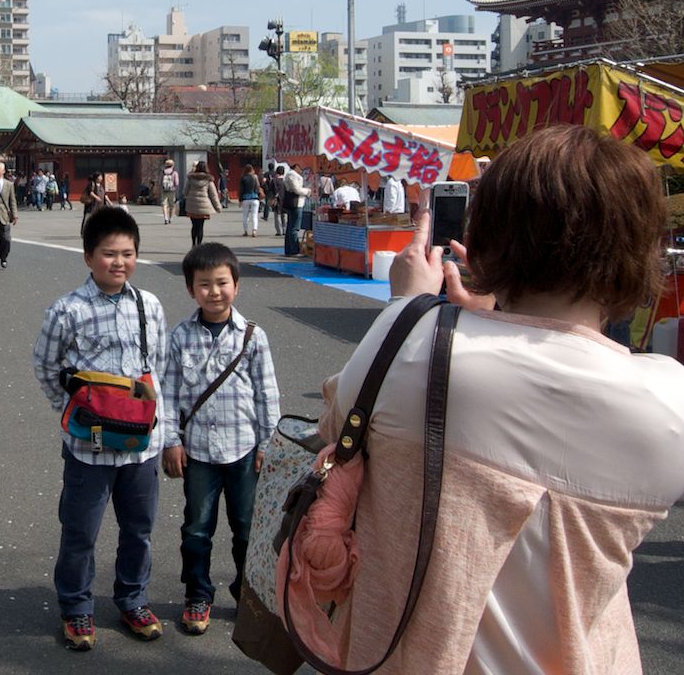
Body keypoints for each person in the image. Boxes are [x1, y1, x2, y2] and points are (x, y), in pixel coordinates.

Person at [310, 126, 684, 674]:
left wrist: (408, 306)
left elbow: (336, 421)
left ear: (489, 236)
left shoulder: (411, 350)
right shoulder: (665, 398)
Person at [32, 207, 169, 652]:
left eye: (127, 254)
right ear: (88, 256)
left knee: (139, 530)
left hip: (140, 447)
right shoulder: (67, 310)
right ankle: (76, 606)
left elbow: (159, 368)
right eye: (109, 254)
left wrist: (160, 426)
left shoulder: (149, 305)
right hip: (89, 447)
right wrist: (71, 413)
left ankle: (132, 598)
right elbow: (46, 365)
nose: (119, 262)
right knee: (80, 532)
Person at [162, 242, 280, 635]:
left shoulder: (252, 337)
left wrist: (268, 445)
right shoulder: (180, 337)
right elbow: (168, 394)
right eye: (204, 285)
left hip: (245, 451)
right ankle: (198, 595)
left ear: (237, 285)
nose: (214, 292)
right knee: (196, 529)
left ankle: (248, 595)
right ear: (190, 289)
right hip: (198, 452)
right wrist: (170, 441)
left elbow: (267, 394)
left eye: (222, 283)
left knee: (247, 529)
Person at [183, 161, 221, 247]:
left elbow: (184, 192)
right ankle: (199, 245)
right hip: (203, 206)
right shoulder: (208, 180)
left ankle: (193, 244)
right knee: (200, 226)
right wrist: (218, 207)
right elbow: (213, 195)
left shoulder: (190, 178)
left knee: (194, 225)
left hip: (192, 205)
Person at [282, 163, 311, 257]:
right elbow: (296, 189)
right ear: (296, 166)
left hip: (295, 203)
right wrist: (307, 191)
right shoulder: (292, 175)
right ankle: (294, 250)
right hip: (295, 203)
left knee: (291, 227)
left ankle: (289, 249)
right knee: (294, 227)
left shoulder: (292, 175)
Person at [80, 172, 110, 236]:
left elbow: (105, 195)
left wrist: (109, 202)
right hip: (92, 205)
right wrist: (96, 197)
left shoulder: (102, 186)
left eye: (101, 177)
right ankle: (84, 232)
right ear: (96, 178)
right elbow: (90, 192)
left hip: (100, 206)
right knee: (87, 218)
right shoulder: (92, 184)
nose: (101, 178)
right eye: (100, 176)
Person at [238, 163, 261, 238]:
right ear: (252, 169)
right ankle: (254, 230)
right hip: (254, 198)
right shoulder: (255, 177)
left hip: (245, 198)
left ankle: (245, 231)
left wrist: (240, 200)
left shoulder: (243, 178)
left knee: (245, 216)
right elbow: (258, 187)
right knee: (255, 215)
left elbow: (241, 190)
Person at [160, 158, 179, 224]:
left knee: (164, 204)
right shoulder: (174, 173)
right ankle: (170, 218)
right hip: (172, 190)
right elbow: (176, 183)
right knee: (172, 204)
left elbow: (160, 181)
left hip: (164, 190)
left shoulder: (163, 172)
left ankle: (165, 218)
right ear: (172, 165)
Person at [272, 164, 287, 237]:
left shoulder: (274, 180)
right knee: (283, 215)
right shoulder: (286, 180)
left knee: (277, 215)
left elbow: (271, 190)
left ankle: (279, 231)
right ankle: (284, 229)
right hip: (286, 200)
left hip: (277, 199)